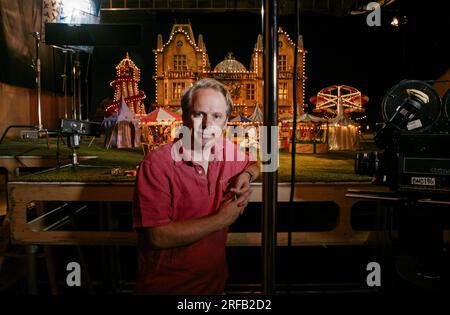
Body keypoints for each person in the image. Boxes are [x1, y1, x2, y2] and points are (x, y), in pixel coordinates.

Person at [133, 78, 259, 294]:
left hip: (215, 284)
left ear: (226, 121)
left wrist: (248, 174)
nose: (207, 125)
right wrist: (221, 219)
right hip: (166, 288)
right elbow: (158, 236)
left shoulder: (226, 152)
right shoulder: (157, 164)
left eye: (217, 116)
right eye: (199, 114)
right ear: (184, 116)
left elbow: (256, 163)